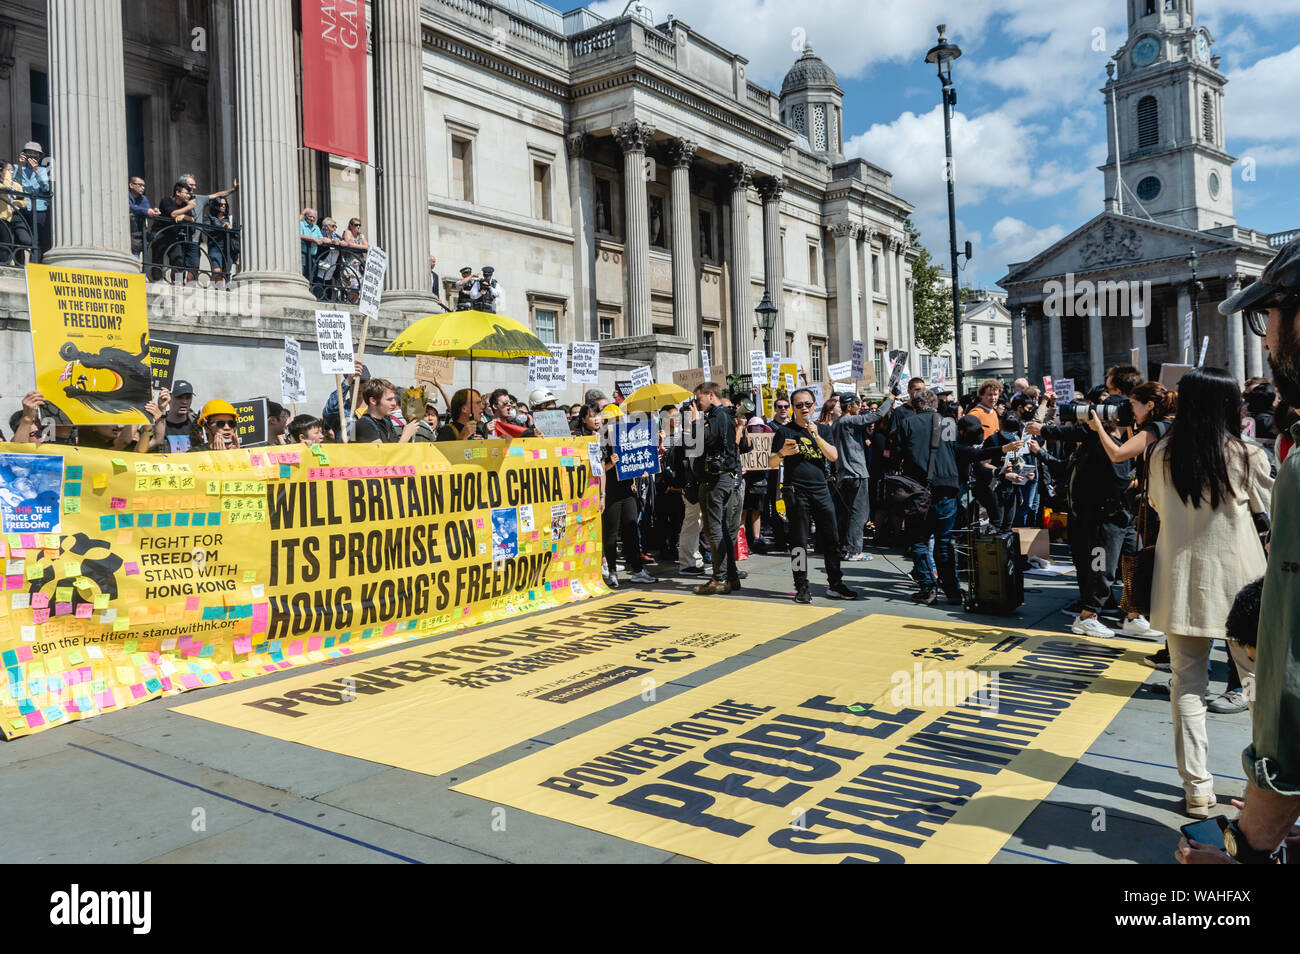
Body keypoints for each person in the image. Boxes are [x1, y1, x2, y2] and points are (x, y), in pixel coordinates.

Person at [1180, 239, 1300, 864]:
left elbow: (1294, 692)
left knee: (1196, 686)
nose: (1267, 336)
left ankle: (1198, 791)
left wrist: (1250, 848)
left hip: (1184, 586)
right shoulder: (1256, 455)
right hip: (1238, 573)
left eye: (1270, 315)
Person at [1146, 367, 1272, 819]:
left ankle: (1197, 789)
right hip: (1242, 584)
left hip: (1179, 580)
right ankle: (1264, 789)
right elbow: (1269, 508)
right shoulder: (1247, 454)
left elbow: (1159, 506)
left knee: (1187, 684)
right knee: (1259, 687)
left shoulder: (1161, 452)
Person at [1026, 364, 1144, 637]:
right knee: (1101, 567)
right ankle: (1088, 615)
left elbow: (1067, 434)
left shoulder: (1129, 433)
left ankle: (1134, 615)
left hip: (1123, 514)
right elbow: (1116, 476)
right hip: (1103, 514)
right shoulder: (1097, 438)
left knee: (1133, 563)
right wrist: (1044, 429)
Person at [769, 387, 858, 604]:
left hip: (821, 489)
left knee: (831, 539)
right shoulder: (785, 431)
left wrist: (816, 436)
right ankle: (801, 586)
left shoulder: (822, 430)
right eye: (799, 405)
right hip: (796, 491)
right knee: (798, 541)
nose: (804, 409)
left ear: (813, 405)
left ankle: (835, 584)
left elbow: (834, 456)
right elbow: (770, 462)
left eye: (807, 404)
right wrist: (782, 453)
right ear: (792, 408)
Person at [892, 388, 962, 605]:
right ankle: (952, 590)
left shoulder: (908, 424)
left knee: (920, 541)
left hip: (919, 490)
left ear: (914, 406)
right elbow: (954, 450)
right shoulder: (949, 423)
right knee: (944, 542)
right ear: (936, 405)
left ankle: (928, 587)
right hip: (947, 488)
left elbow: (897, 455)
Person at [690, 382, 746, 596]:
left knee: (714, 531)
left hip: (716, 480)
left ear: (710, 394)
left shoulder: (718, 416)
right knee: (721, 530)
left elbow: (702, 441)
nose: (696, 404)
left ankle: (719, 578)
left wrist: (696, 423)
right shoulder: (722, 416)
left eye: (698, 399)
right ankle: (730, 577)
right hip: (722, 478)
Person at [599, 404, 655, 587]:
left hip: (627, 492)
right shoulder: (601, 441)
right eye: (613, 421)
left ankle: (637, 570)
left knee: (631, 530)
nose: (617, 424)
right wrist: (610, 464)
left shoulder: (628, 438)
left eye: (619, 420)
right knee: (611, 535)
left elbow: (636, 462)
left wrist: (642, 470)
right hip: (611, 494)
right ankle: (612, 571)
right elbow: (598, 470)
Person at [834, 391, 893, 560]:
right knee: (858, 514)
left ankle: (845, 548)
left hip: (843, 474)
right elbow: (879, 415)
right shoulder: (851, 420)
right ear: (850, 406)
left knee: (846, 514)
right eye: (857, 404)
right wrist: (890, 398)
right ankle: (854, 551)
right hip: (857, 473)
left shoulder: (836, 423)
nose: (860, 407)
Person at [153, 180, 199, 283]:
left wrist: (183, 216)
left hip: (174, 236)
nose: (188, 195)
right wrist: (188, 207)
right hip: (161, 234)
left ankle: (176, 284)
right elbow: (173, 214)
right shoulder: (166, 201)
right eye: (186, 193)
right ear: (177, 193)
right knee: (158, 259)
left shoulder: (184, 205)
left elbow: (192, 219)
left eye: (189, 193)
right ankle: (156, 281)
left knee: (178, 261)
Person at [355, 378, 418, 444]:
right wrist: (406, 436)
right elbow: (382, 453)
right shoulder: (364, 424)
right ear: (373, 401)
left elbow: (394, 447)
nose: (394, 403)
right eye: (389, 399)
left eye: (394, 399)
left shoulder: (386, 421)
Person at [15, 142, 51, 254]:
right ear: (24, 154)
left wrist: (36, 171)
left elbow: (45, 188)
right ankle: (19, 262)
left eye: (35, 154)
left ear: (39, 157)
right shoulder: (16, 167)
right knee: (21, 237)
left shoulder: (42, 170)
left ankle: (34, 264)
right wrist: (20, 166)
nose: (31, 156)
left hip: (38, 209)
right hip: (22, 207)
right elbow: (15, 185)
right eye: (29, 153)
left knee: (36, 239)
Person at [152, 380, 203, 453]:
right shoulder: (155, 425)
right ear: (169, 398)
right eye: (179, 397)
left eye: (188, 397)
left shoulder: (198, 426)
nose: (184, 402)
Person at [204, 196, 239, 288]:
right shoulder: (209, 216)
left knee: (225, 272)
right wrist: (222, 227)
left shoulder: (230, 218)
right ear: (216, 205)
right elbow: (207, 230)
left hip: (228, 248)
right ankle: (218, 290)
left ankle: (222, 290)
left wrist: (236, 254)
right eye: (221, 204)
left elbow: (236, 236)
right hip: (215, 246)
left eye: (225, 204)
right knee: (217, 270)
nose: (223, 206)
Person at [300, 208, 325, 281]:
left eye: (314, 217)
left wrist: (319, 240)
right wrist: (313, 239)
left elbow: (321, 238)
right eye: (310, 216)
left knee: (311, 277)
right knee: (303, 275)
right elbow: (299, 235)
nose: (312, 219)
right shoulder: (301, 224)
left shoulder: (316, 227)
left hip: (313, 256)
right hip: (303, 254)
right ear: (306, 216)